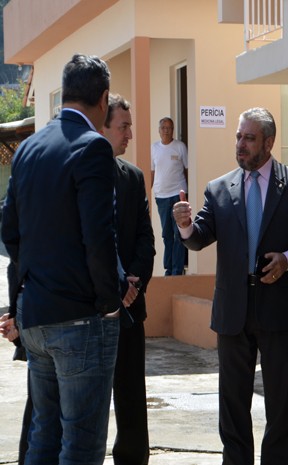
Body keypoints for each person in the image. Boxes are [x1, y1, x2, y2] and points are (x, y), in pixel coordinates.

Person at [172, 107, 288, 464]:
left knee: (280, 404)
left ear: (269, 143)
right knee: (232, 404)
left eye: (249, 138)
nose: (240, 144)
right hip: (233, 310)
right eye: (238, 136)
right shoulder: (218, 188)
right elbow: (199, 237)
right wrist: (184, 226)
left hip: (279, 307)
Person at [1, 53, 122, 465]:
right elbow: (99, 237)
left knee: (44, 437)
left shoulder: (28, 149)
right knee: (82, 446)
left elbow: (10, 233)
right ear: (103, 99)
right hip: (80, 320)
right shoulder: (93, 148)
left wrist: (24, 295)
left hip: (36, 317)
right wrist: (109, 302)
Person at [102, 94, 156, 465]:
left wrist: (132, 286)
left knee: (131, 395)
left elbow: (145, 239)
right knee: (87, 398)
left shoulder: (133, 178)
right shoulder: (78, 172)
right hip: (90, 309)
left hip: (130, 308)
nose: (130, 135)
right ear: (102, 126)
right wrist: (113, 285)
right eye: (123, 126)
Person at [151, 117, 188, 275]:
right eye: (163, 127)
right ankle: (168, 269)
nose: (166, 130)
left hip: (178, 195)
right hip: (161, 196)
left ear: (173, 130)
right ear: (159, 130)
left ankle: (177, 270)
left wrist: (187, 192)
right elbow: (152, 172)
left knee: (179, 233)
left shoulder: (180, 147)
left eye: (169, 127)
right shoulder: (153, 148)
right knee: (167, 235)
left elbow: (187, 170)